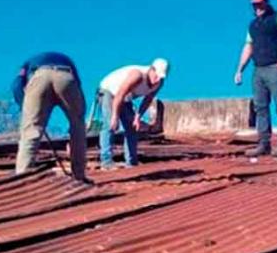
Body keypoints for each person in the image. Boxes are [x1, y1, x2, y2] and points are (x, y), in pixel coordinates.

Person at [234, 0, 277, 157]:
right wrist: (240, 69)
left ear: (266, 3)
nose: (257, 8)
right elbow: (248, 47)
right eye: (254, 5)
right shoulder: (253, 25)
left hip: (276, 66)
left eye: (260, 4)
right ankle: (263, 143)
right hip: (258, 69)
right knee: (260, 107)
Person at [11, 51, 88, 181]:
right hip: (66, 76)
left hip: (39, 76)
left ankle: (22, 175)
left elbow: (16, 85)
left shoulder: (29, 62)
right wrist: (80, 114)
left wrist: (25, 108)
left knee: (31, 130)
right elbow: (77, 84)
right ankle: (79, 175)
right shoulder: (67, 59)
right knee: (78, 126)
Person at [98, 58, 169, 169]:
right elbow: (119, 94)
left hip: (125, 97)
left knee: (132, 127)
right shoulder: (137, 76)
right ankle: (106, 162)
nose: (157, 79)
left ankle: (131, 162)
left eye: (161, 77)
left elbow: (148, 99)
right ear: (151, 69)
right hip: (109, 92)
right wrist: (115, 116)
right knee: (110, 124)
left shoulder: (159, 83)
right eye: (156, 76)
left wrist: (138, 116)